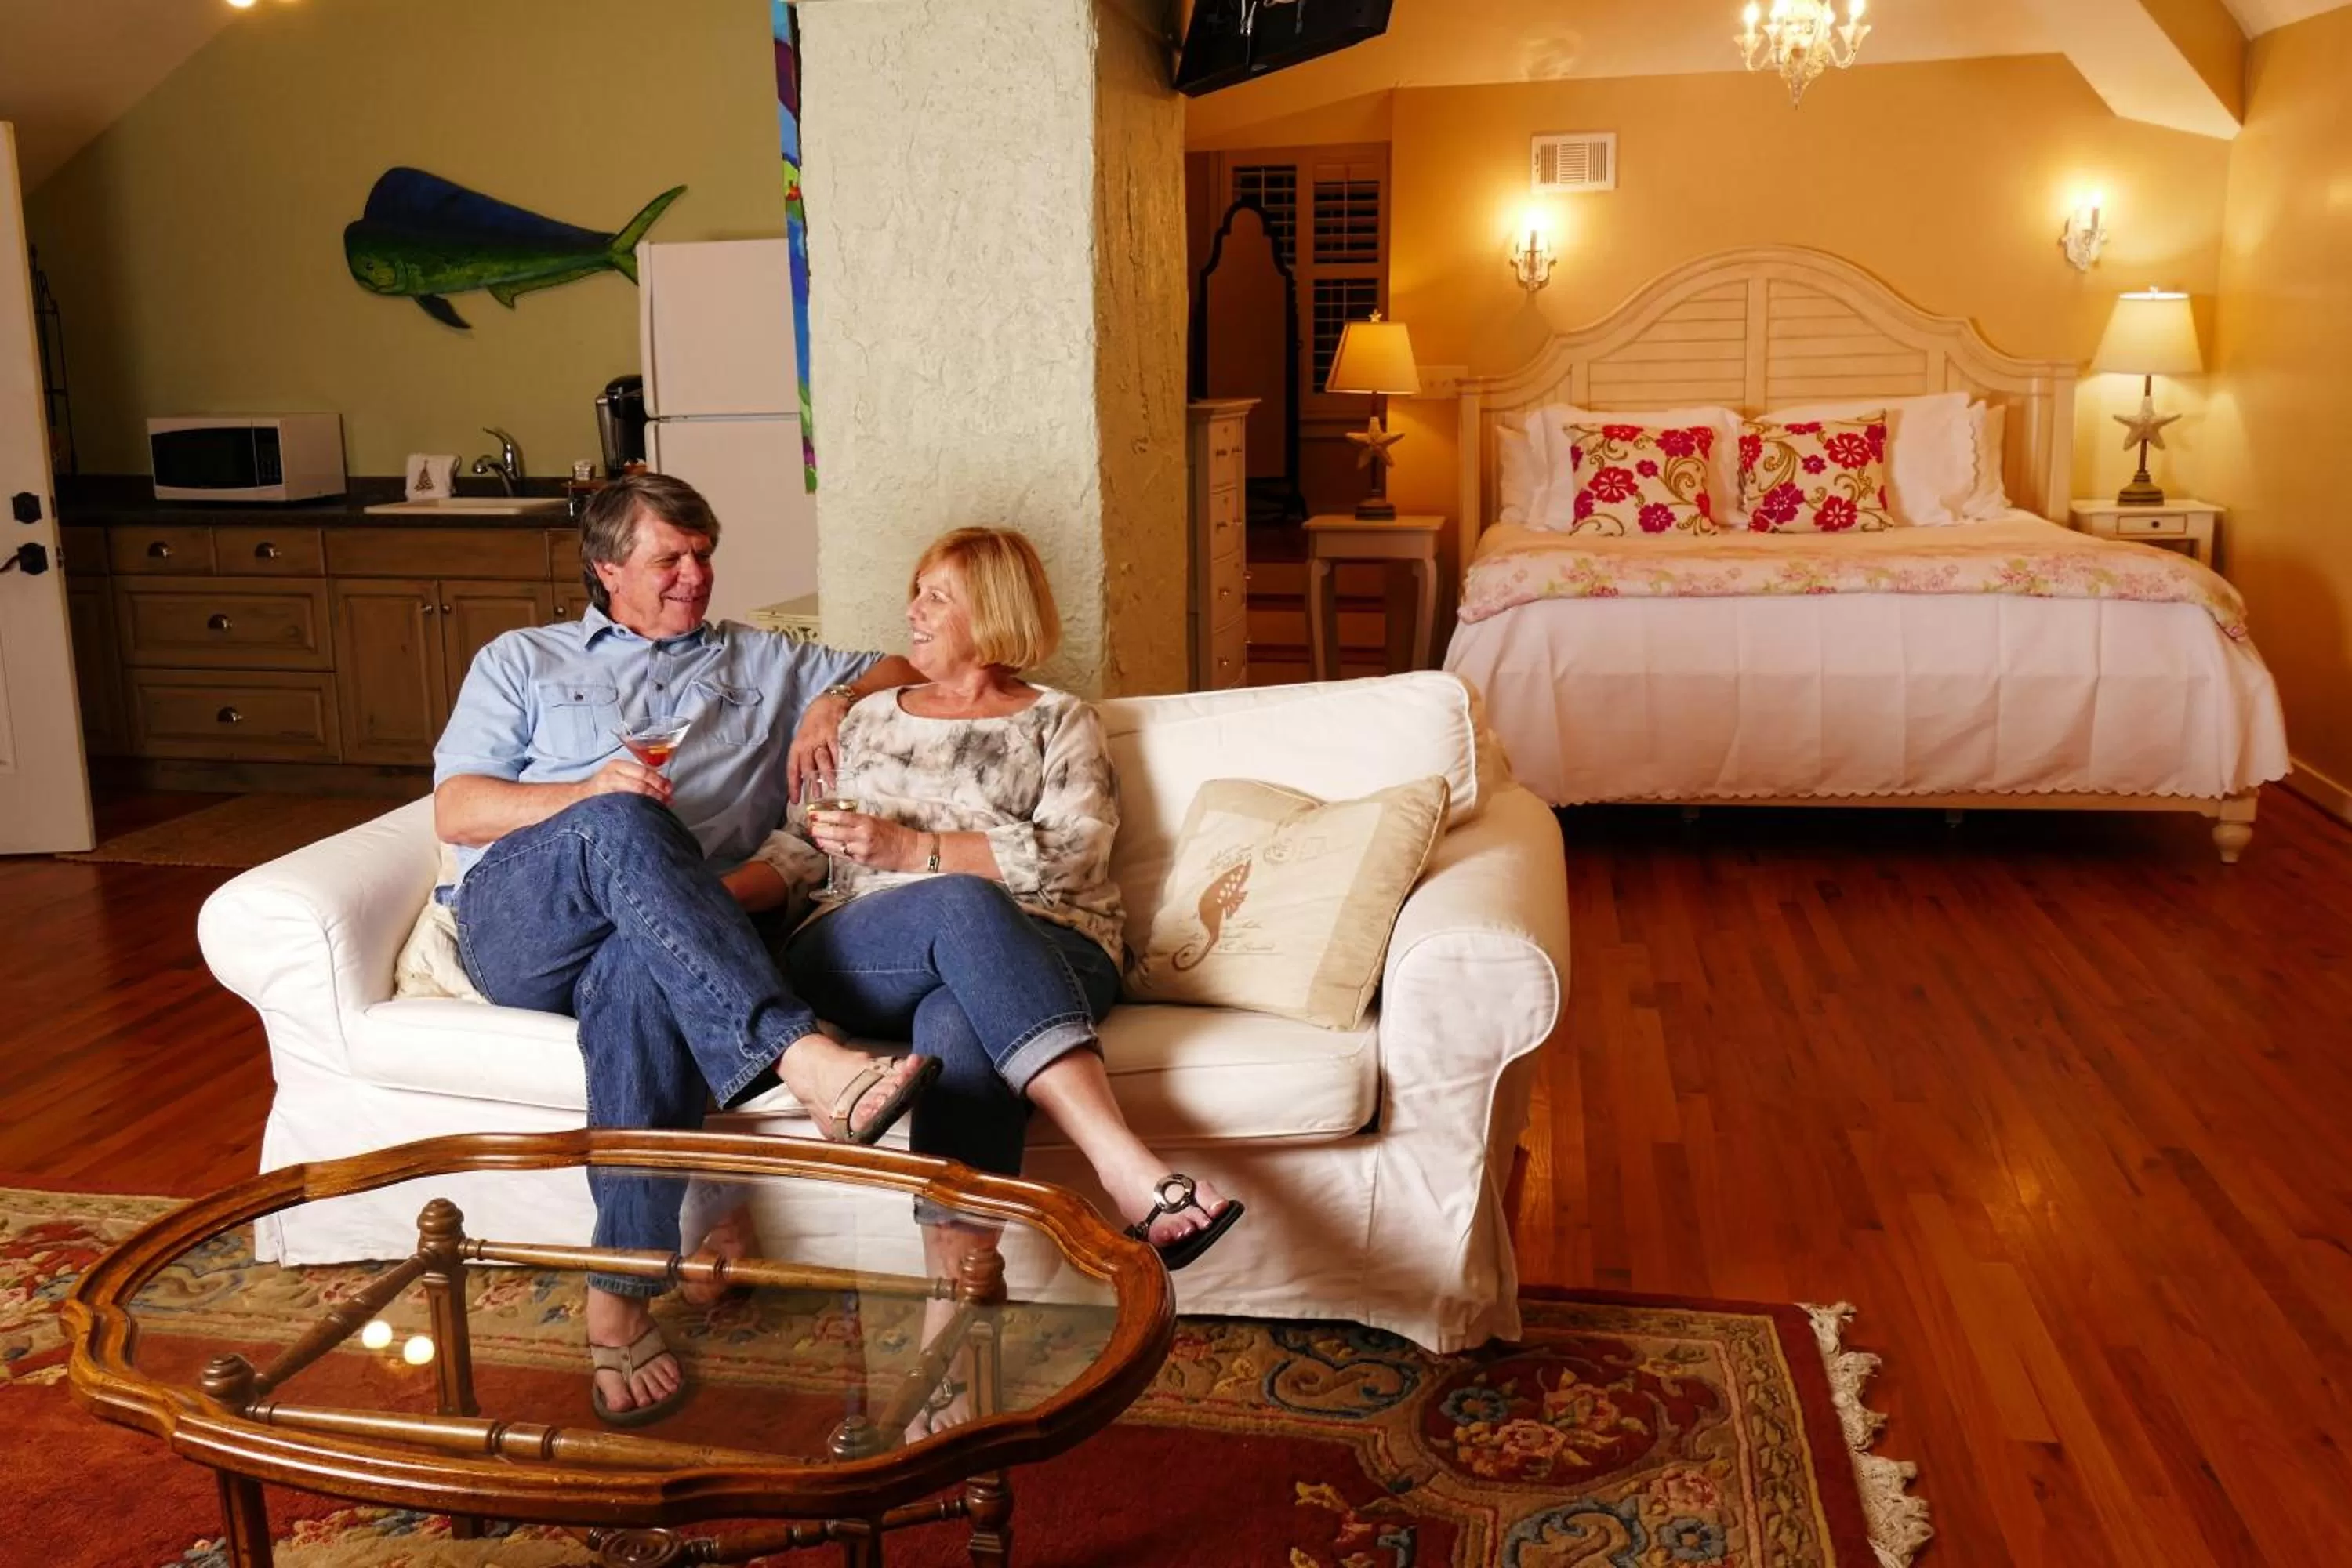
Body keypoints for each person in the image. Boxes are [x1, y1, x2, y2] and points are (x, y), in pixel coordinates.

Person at [431, 471, 936, 1427]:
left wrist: (833, 703)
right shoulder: (521, 659)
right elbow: (459, 807)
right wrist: (585, 796)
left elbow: (901, 672)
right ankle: (803, 1055)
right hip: (524, 918)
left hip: (663, 931)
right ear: (607, 567)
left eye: (705, 554)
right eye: (670, 557)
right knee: (617, 813)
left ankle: (619, 1289)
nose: (695, 575)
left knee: (636, 972)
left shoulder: (761, 661)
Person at [727, 528, 1244, 1361]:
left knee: (960, 1020)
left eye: (937, 596)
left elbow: (1077, 851)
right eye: (916, 589)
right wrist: (708, 900)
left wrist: (911, 849)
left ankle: (954, 1313)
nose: (912, 609)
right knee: (962, 903)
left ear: (993, 611)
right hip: (864, 944)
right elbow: (797, 852)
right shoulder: (861, 721)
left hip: (1056, 942)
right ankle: (1125, 1166)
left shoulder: (1060, 720)